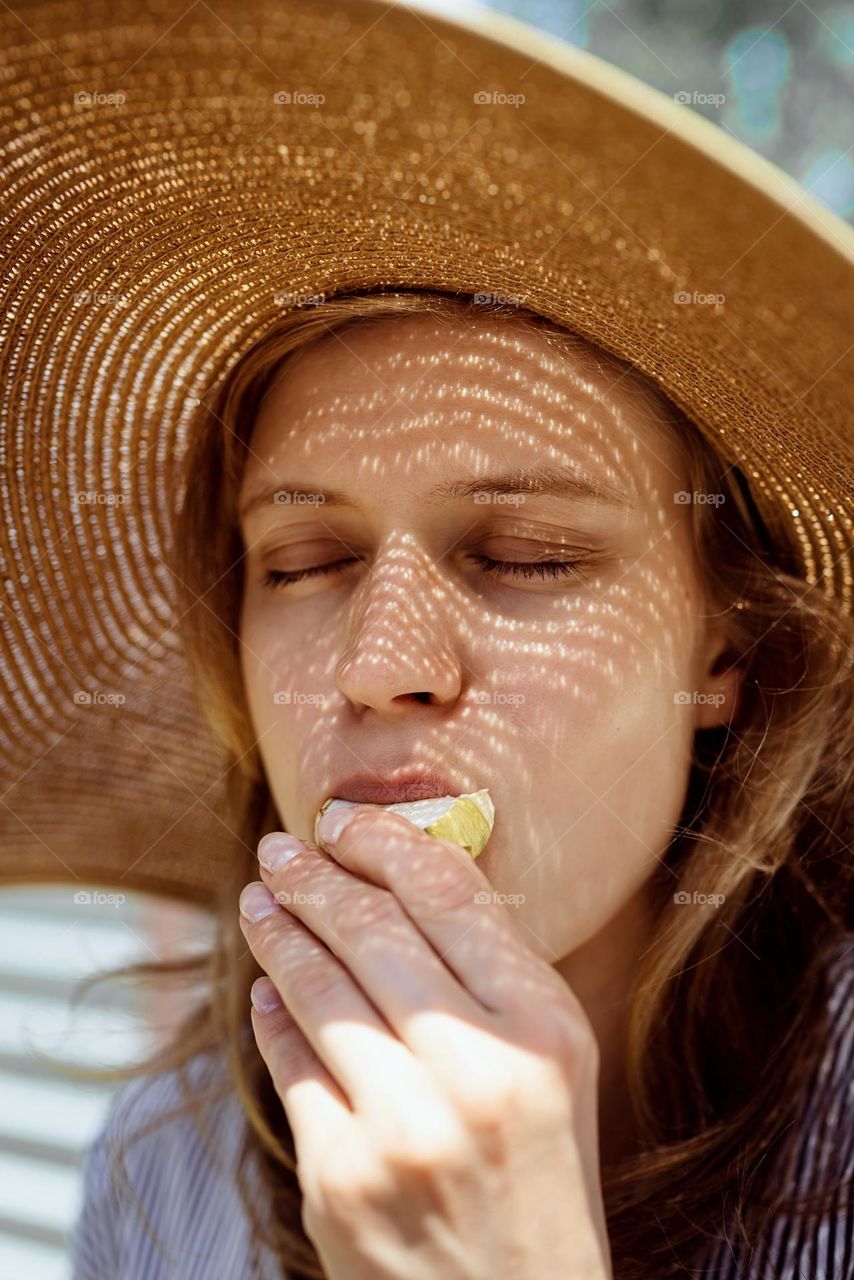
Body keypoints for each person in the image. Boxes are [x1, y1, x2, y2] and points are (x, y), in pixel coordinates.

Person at [1, 0, 851, 1276]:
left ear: (722, 655)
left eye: (524, 556)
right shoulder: (163, 1172)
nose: (377, 660)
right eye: (305, 563)